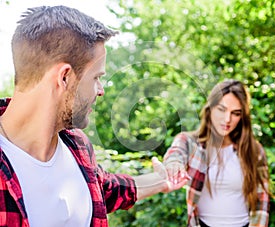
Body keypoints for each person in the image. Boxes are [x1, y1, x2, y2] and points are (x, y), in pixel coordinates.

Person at [0, 5, 188, 227]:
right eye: (97, 77)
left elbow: (103, 188)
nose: (101, 90)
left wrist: (161, 180)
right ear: (65, 77)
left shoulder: (76, 145)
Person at [163, 79, 270, 227]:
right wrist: (174, 165)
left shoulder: (254, 151)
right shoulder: (190, 142)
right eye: (221, 109)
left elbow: (261, 201)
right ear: (210, 108)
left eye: (236, 113)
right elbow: (176, 153)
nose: (227, 119)